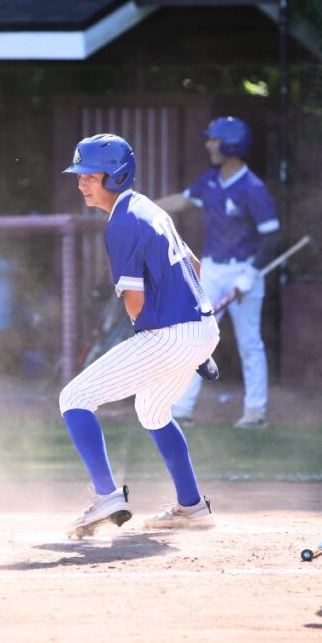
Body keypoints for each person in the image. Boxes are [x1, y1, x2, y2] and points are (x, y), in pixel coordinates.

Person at [59, 134, 220, 537]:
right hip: (203, 326)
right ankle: (192, 506)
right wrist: (195, 346)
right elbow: (195, 267)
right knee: (152, 410)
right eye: (79, 176)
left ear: (115, 177)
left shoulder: (122, 223)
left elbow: (135, 304)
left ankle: (106, 496)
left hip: (171, 334)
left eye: (90, 176)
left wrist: (170, 345)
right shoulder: (147, 207)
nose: (81, 184)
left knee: (74, 397)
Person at [158, 117, 280, 429]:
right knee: (196, 338)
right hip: (211, 271)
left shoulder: (253, 189)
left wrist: (249, 276)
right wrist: (142, 207)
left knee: (249, 343)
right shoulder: (210, 179)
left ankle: (255, 412)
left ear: (231, 145)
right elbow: (184, 200)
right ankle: (181, 410)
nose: (209, 144)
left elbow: (272, 236)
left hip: (245, 273)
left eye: (214, 140)